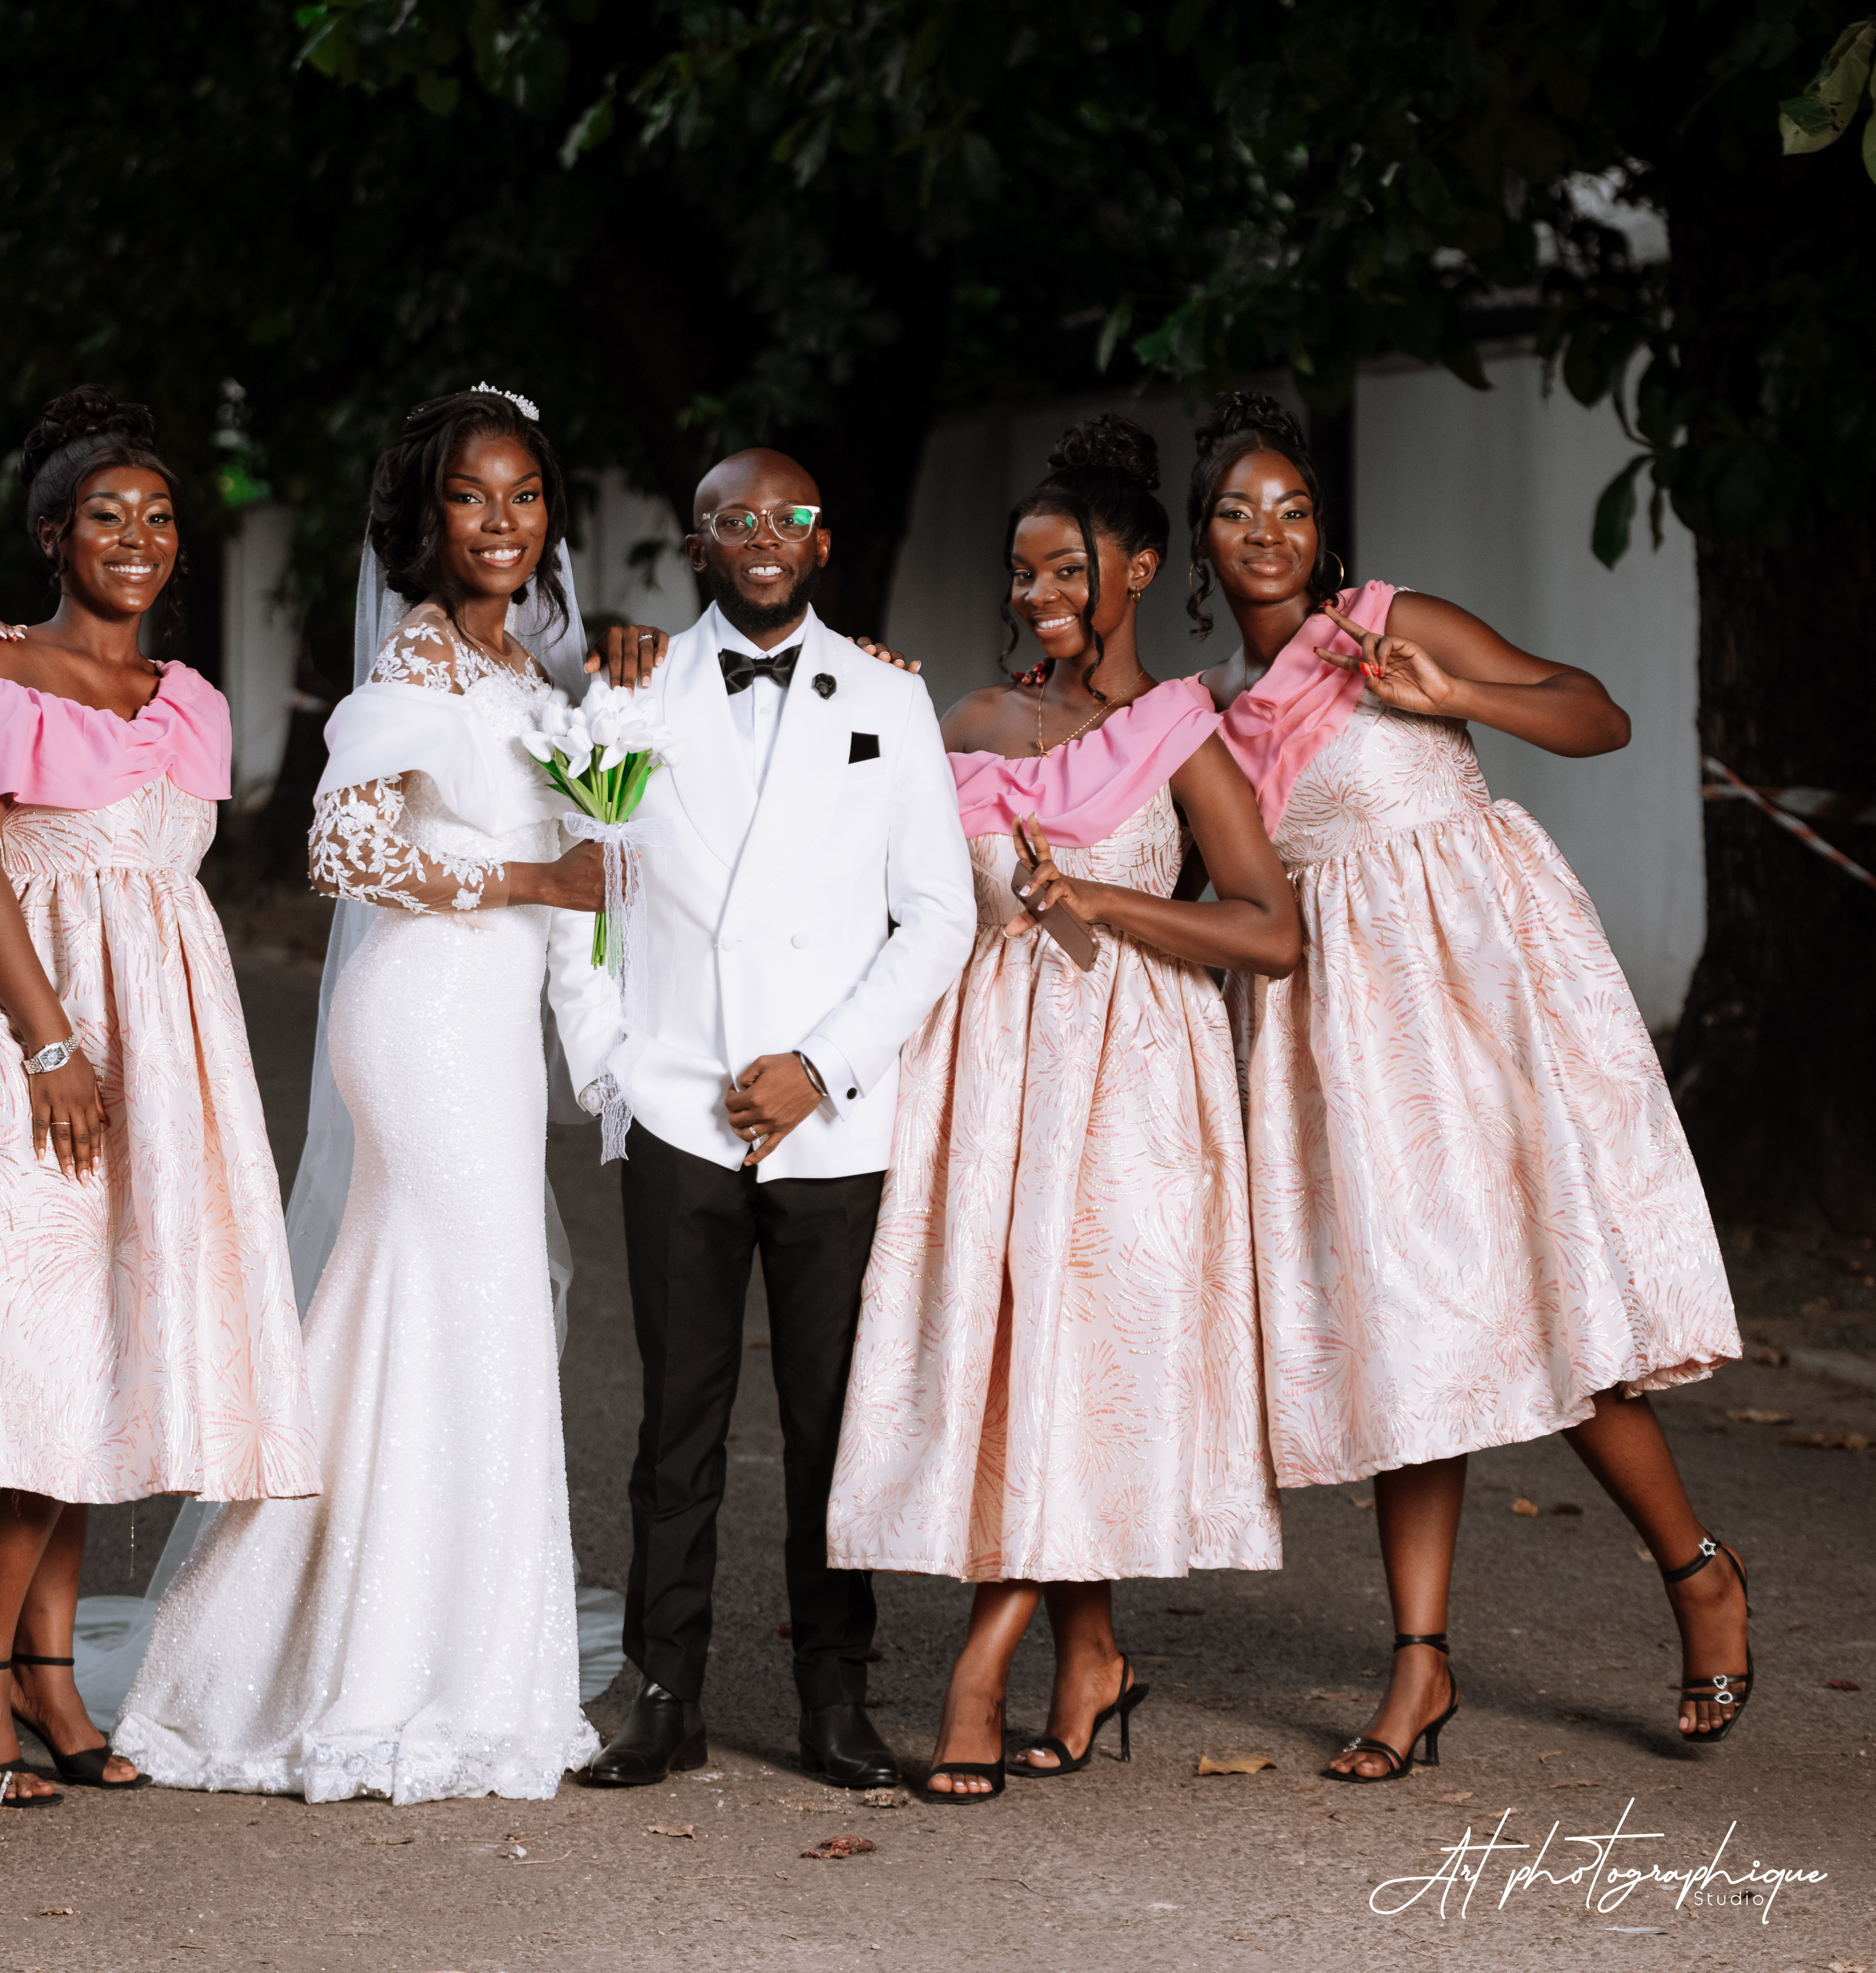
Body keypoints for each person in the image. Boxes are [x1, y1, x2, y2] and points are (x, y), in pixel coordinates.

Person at [1189, 391, 1748, 1777]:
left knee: (1548, 1305)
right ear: (1200, 542)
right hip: (1343, 1051)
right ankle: (1419, 1666)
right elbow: (1188, 884)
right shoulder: (1203, 721)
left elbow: (1597, 716)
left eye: (1291, 508)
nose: (1267, 532)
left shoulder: (1392, 625)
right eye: (1236, 511)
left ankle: (1696, 1572)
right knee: (1409, 1336)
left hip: (1482, 1007)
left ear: (1322, 531)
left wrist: (1452, 698)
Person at [112, 387, 618, 1803]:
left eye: (524, 495)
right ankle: (350, 1667)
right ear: (423, 518)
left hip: (489, 1027)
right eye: (471, 496)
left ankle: (442, 1651)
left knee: (451, 1316)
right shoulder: (414, 663)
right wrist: (535, 876)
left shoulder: (517, 668)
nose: (502, 521)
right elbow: (342, 850)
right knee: (445, 1301)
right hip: (421, 1021)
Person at [0, 385, 317, 1807]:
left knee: (102, 1341)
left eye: (159, 518)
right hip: (18, 1028)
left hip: (162, 1037)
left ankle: (45, 1675)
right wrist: (50, 1044)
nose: (137, 538)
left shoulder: (193, 702)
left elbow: (160, 884)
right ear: (52, 535)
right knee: (36, 1349)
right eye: (106, 515)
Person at [826, 415, 1302, 1802]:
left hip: (1132, 1086)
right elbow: (857, 865)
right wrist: (855, 709)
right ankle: (1090, 1658)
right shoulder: (969, 725)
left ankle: (979, 1670)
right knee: (1018, 1366)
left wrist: (1102, 899)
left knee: (1079, 1360)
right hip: (982, 1086)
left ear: (1137, 571)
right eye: (1022, 572)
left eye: (1063, 571)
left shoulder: (1179, 733)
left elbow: (1269, 932)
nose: (1035, 594)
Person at [576, 446, 979, 1791]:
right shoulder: (628, 688)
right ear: (695, 545)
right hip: (679, 1107)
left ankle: (834, 1699)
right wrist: (618, 1074)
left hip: (831, 1120)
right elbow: (588, 896)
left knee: (829, 1423)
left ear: (821, 540)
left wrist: (821, 1066)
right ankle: (662, 1694)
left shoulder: (888, 696)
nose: (762, 537)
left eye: (787, 517)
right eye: (731, 520)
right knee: (675, 1428)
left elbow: (938, 916)